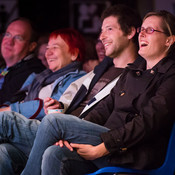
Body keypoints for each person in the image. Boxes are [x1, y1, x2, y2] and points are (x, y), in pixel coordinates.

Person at [20, 9, 175, 175]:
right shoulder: (132, 71)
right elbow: (103, 109)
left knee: (53, 122)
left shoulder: (171, 75)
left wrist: (105, 147)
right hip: (107, 141)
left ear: (169, 40)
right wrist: (73, 132)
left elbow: (148, 121)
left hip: (133, 151)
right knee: (54, 153)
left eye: (150, 30)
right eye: (141, 30)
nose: (142, 34)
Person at [0, 4, 141, 175]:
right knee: (5, 152)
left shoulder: (136, 74)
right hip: (62, 128)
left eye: (109, 29)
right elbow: (68, 104)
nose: (102, 37)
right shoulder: (98, 71)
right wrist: (58, 109)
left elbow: (118, 120)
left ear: (131, 32)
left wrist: (67, 129)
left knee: (5, 120)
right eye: (101, 30)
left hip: (84, 135)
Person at [0, 17, 46, 105]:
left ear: (31, 46)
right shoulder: (7, 69)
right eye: (7, 35)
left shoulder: (32, 73)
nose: (9, 42)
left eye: (18, 38)